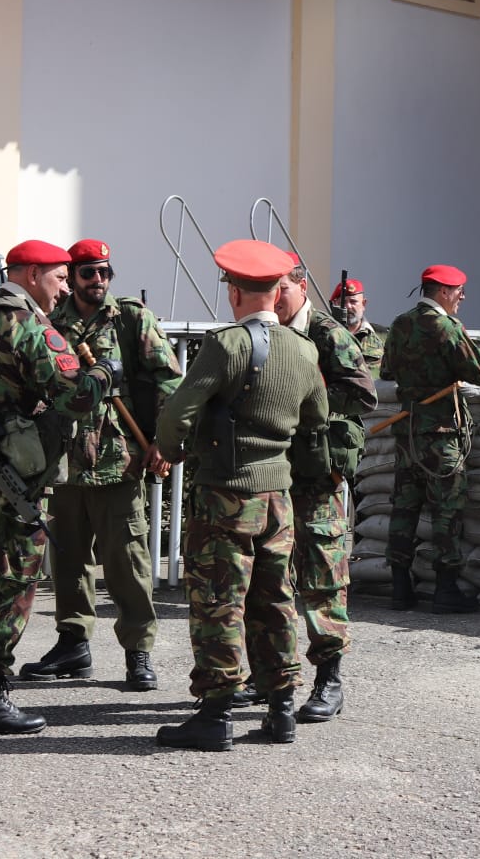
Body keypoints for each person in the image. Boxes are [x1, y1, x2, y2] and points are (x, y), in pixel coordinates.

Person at [153, 240, 329, 751]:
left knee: (217, 601)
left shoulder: (227, 345)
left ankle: (214, 714)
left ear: (233, 292)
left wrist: (172, 448)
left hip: (226, 494)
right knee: (274, 601)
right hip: (279, 497)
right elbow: (316, 421)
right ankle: (281, 711)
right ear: (279, 292)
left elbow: (176, 414)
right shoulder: (304, 349)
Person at [0, 240, 117, 736]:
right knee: (9, 575)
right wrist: (104, 373)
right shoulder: (30, 325)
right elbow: (76, 395)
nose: (65, 288)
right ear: (34, 274)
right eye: (60, 277)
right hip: (11, 470)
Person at [20, 239, 181, 692]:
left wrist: (164, 443)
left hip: (119, 461)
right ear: (71, 276)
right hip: (65, 463)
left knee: (127, 561)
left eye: (106, 272)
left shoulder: (130, 319)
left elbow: (169, 380)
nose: (99, 281)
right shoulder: (50, 320)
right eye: (89, 273)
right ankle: (73, 644)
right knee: (68, 558)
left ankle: (138, 652)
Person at [276, 253, 377, 721]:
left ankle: (328, 681)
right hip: (273, 470)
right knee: (271, 578)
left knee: (322, 577)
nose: (273, 298)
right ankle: (272, 677)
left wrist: (307, 399)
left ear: (301, 286)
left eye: (281, 288)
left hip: (317, 474)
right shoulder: (266, 328)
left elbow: (363, 392)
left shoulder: (325, 332)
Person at [379, 264, 480, 613]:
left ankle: (400, 588)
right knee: (446, 511)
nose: (462, 297)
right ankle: (446, 589)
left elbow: (385, 371)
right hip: (442, 435)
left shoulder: (400, 324)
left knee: (405, 507)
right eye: (459, 291)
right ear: (443, 291)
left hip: (409, 431)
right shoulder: (447, 327)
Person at [329, 277, 387, 370]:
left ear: (363, 304)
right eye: (343, 302)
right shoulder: (325, 335)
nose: (348, 306)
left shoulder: (382, 336)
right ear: (335, 305)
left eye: (353, 301)